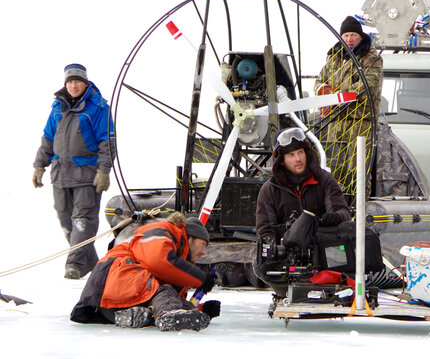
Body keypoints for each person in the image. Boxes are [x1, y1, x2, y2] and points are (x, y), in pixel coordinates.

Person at [70, 213, 221, 332]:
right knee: (165, 291)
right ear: (191, 238)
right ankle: (167, 316)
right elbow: (159, 260)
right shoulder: (165, 231)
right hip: (113, 276)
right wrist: (200, 279)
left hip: (111, 303)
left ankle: (133, 316)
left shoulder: (175, 264)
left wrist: (202, 310)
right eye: (202, 245)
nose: (203, 252)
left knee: (166, 296)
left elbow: (174, 298)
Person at [32, 64, 115, 280]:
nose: (73, 85)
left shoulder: (98, 108)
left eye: (77, 81)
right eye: (69, 81)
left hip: (87, 174)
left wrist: (104, 171)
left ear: (85, 83)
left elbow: (107, 143)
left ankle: (75, 265)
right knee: (66, 219)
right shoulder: (57, 107)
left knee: (83, 220)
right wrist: (39, 165)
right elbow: (48, 138)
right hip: (60, 174)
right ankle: (91, 263)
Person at [254, 127, 352, 297]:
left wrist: (335, 217)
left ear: (307, 153)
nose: (298, 159)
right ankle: (289, 291)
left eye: (300, 152)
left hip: (323, 251)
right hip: (287, 254)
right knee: (261, 263)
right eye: (291, 155)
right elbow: (265, 230)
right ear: (282, 160)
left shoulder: (325, 180)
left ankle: (332, 286)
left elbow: (343, 212)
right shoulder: (269, 190)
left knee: (348, 254)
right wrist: (279, 247)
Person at [313, 16, 383, 196]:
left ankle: (359, 210)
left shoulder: (372, 58)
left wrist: (336, 95)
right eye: (346, 35)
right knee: (333, 170)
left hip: (361, 122)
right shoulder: (333, 56)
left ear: (360, 36)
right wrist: (322, 90)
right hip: (335, 122)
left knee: (358, 170)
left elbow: (368, 86)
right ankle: (335, 208)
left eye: (353, 35)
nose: (350, 39)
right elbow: (319, 80)